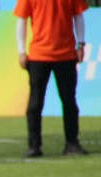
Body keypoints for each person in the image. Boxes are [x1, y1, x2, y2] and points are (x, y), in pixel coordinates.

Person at [16, 0, 89, 157]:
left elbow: (78, 16)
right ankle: (34, 145)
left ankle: (72, 143)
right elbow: (22, 19)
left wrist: (81, 44)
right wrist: (21, 50)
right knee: (35, 102)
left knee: (69, 101)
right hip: (39, 55)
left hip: (66, 54)